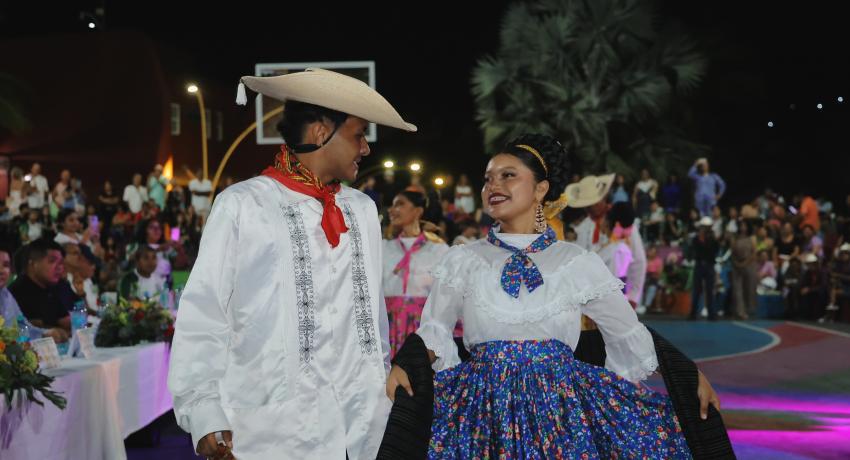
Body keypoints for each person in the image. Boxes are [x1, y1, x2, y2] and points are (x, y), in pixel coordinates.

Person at [386, 134, 716, 458]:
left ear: (541, 189)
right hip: (482, 412)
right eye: (488, 179)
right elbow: (434, 331)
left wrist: (687, 375)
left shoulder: (576, 262)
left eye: (508, 175)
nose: (492, 186)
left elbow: (628, 331)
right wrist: (408, 364)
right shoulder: (462, 260)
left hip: (562, 412)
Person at [168, 68, 416, 460]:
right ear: (321, 133)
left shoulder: (362, 210)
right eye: (359, 135)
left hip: (361, 425)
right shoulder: (244, 204)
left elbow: (373, 319)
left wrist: (382, 377)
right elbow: (204, 314)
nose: (366, 148)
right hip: (269, 430)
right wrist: (204, 412)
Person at [382, 190, 449, 356]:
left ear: (418, 211)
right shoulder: (383, 248)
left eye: (400, 204)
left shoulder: (439, 250)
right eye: (392, 205)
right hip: (387, 328)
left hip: (423, 329)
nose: (392, 209)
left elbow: (447, 296)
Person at [0, 247, 68, 343]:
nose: (1, 270)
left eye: (6, 265)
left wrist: (45, 333)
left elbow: (22, 327)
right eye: (52, 261)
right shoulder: (19, 288)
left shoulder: (6, 295)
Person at [8, 239, 71, 332]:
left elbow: (66, 320)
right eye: (52, 261)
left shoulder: (51, 287)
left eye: (61, 262)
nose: (59, 267)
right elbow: (28, 329)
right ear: (32, 264)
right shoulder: (17, 292)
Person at [690, 217, 720, 320]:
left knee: (710, 290)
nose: (705, 229)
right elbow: (696, 251)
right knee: (697, 290)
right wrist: (701, 238)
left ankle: (711, 314)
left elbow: (714, 251)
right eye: (704, 227)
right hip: (699, 265)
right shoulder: (696, 238)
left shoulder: (713, 239)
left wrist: (711, 239)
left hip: (709, 266)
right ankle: (693, 313)